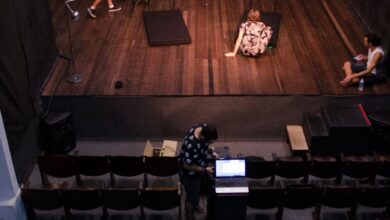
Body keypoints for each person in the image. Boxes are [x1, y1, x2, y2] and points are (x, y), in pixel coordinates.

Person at [179, 123, 218, 220]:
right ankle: (189, 216)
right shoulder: (192, 146)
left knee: (195, 192)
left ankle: (195, 205)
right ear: (203, 137)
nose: (210, 144)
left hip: (197, 165)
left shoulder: (202, 127)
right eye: (209, 142)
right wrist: (205, 170)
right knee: (191, 198)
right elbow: (187, 165)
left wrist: (210, 152)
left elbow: (204, 144)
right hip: (189, 173)